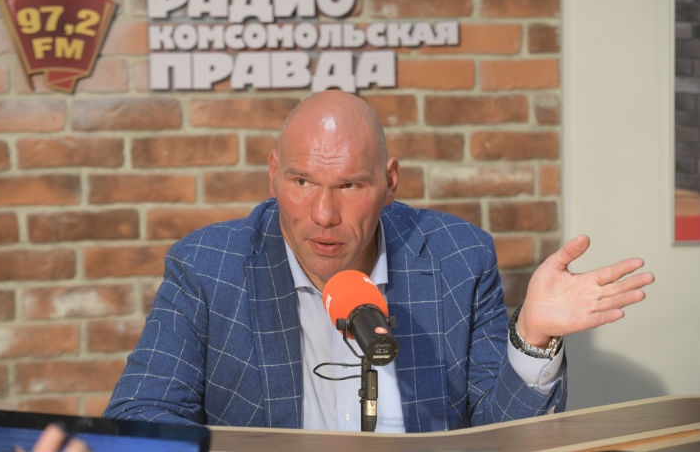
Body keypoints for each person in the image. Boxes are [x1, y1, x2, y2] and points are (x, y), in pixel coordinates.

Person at [104, 90, 654, 432]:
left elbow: (502, 438)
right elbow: (140, 417)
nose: (323, 214)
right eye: (302, 182)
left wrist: (531, 336)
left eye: (350, 185)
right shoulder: (207, 267)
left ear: (390, 183)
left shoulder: (458, 258)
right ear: (273, 175)